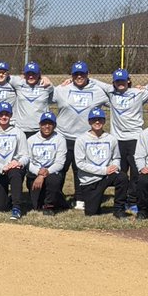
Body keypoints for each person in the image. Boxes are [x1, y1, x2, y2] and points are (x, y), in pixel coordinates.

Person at [52, 61, 111, 209]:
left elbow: (113, 94)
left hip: (84, 138)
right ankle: (57, 198)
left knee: (81, 169)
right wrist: (45, 81)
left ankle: (80, 199)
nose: (79, 77)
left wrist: (95, 81)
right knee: (60, 169)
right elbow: (43, 96)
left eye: (82, 74)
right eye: (76, 74)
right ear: (71, 76)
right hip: (63, 136)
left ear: (87, 75)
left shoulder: (97, 91)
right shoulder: (62, 89)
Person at [73, 107, 129, 218]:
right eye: (94, 119)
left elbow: (116, 158)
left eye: (100, 119)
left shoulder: (111, 139)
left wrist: (115, 166)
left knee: (122, 177)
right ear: (89, 122)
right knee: (92, 212)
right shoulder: (81, 140)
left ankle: (119, 209)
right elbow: (80, 164)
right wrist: (104, 170)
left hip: (107, 176)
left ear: (104, 121)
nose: (97, 122)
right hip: (90, 179)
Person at [108, 68, 148, 214]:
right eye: (117, 81)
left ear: (129, 81)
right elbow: (93, 83)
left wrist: (144, 87)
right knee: (121, 172)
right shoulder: (110, 94)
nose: (120, 83)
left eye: (123, 80)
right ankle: (121, 200)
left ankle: (133, 200)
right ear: (113, 82)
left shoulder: (138, 94)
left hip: (135, 138)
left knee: (136, 171)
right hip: (117, 139)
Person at [0, 101, 29, 219]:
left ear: (11, 116)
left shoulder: (19, 132)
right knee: (0, 207)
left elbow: (25, 156)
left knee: (16, 172)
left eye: (6, 114)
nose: (4, 117)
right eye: (1, 114)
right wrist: (2, 167)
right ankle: (3, 197)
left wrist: (18, 163)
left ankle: (16, 207)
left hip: (13, 169)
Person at [25, 111, 67, 215]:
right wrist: (38, 172)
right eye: (44, 124)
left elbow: (60, 163)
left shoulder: (60, 139)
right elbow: (27, 161)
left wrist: (43, 174)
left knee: (54, 180)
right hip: (35, 174)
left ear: (55, 125)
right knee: (37, 206)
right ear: (39, 125)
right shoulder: (31, 140)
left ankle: (49, 206)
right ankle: (59, 198)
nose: (47, 126)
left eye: (50, 124)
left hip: (52, 173)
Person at [11, 61, 54, 137]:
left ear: (39, 74)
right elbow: (2, 75)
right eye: (28, 74)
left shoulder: (47, 86)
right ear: (24, 74)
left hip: (40, 129)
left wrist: (69, 80)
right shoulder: (18, 83)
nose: (31, 76)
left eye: (34, 74)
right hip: (21, 128)